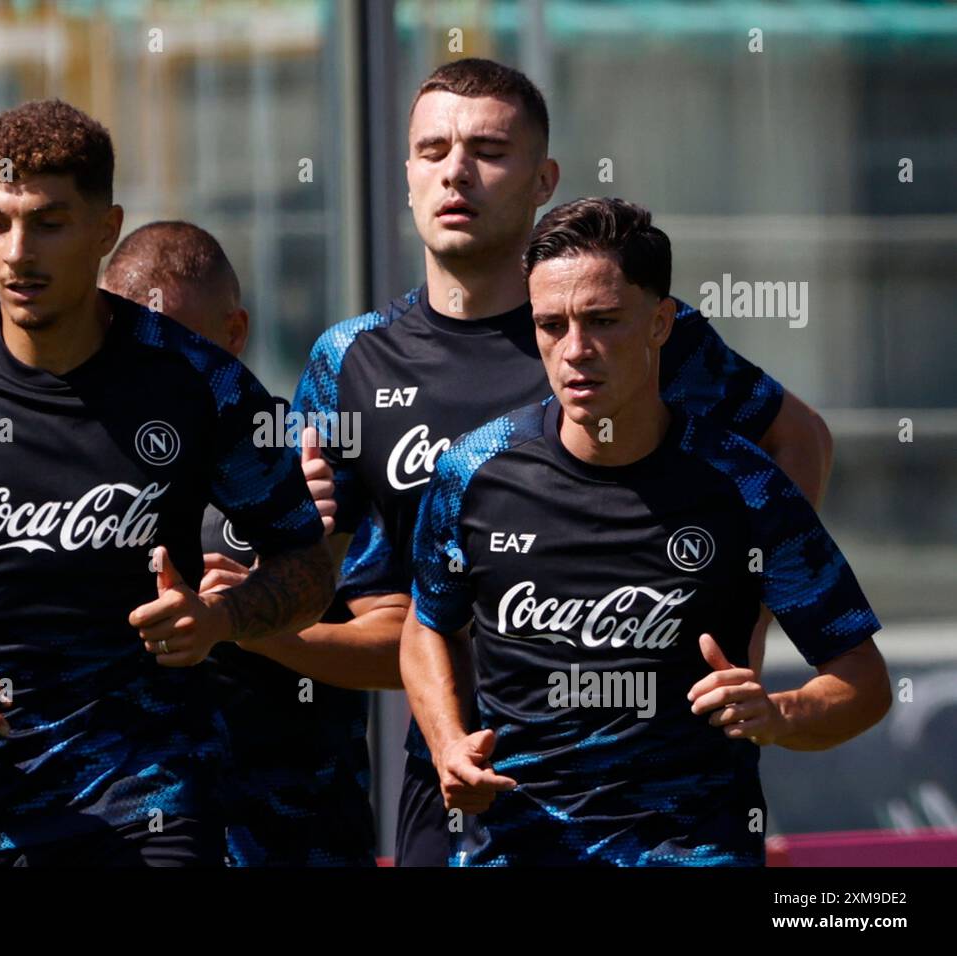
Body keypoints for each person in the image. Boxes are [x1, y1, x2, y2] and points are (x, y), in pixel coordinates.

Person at [294, 57, 835, 866]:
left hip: (655, 786)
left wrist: (746, 614)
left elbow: (799, 440)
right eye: (433, 150)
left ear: (544, 177)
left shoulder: (637, 327)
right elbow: (353, 592)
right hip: (460, 764)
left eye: (488, 150)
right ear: (404, 172)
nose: (456, 173)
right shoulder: (350, 358)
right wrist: (292, 541)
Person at [0, 100, 333, 867]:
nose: (19, 251)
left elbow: (306, 564)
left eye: (49, 222)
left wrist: (222, 617)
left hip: (148, 791)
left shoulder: (199, 384)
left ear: (106, 228)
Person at [403, 197, 890, 866]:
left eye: (603, 321)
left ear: (661, 323)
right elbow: (427, 623)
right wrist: (447, 742)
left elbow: (863, 681)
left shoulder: (744, 486)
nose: (575, 351)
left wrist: (779, 716)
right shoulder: (471, 471)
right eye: (551, 325)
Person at [102, 221, 388, 865]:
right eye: (130, 339)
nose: (155, 367)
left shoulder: (309, 459)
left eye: (178, 341)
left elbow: (400, 650)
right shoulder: (71, 456)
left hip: (299, 838)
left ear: (235, 332)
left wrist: (292, 574)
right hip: (129, 830)